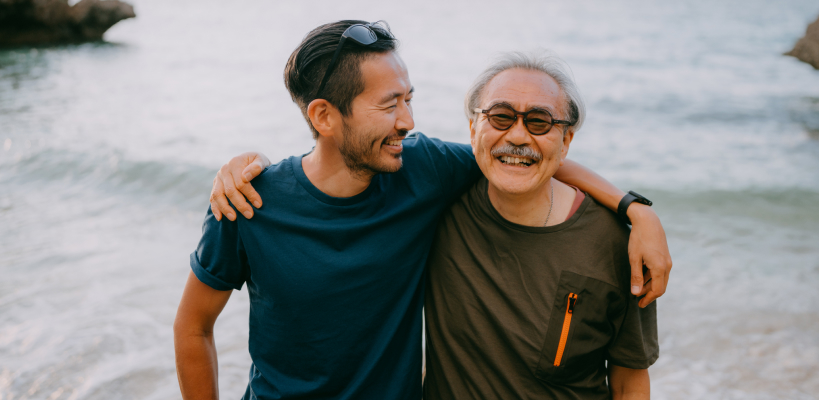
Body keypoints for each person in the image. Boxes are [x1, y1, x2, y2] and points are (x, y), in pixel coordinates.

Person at [177, 20, 670, 400]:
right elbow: (193, 326)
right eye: (390, 105)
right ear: (324, 116)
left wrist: (634, 210)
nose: (408, 122)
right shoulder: (248, 201)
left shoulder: (421, 169)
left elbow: (521, 155)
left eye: (410, 100)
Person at [422, 52, 656, 400]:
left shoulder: (617, 245)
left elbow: (629, 383)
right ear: (473, 129)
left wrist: (639, 212)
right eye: (500, 117)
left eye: (539, 121)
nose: (517, 135)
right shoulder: (436, 204)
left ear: (566, 142)